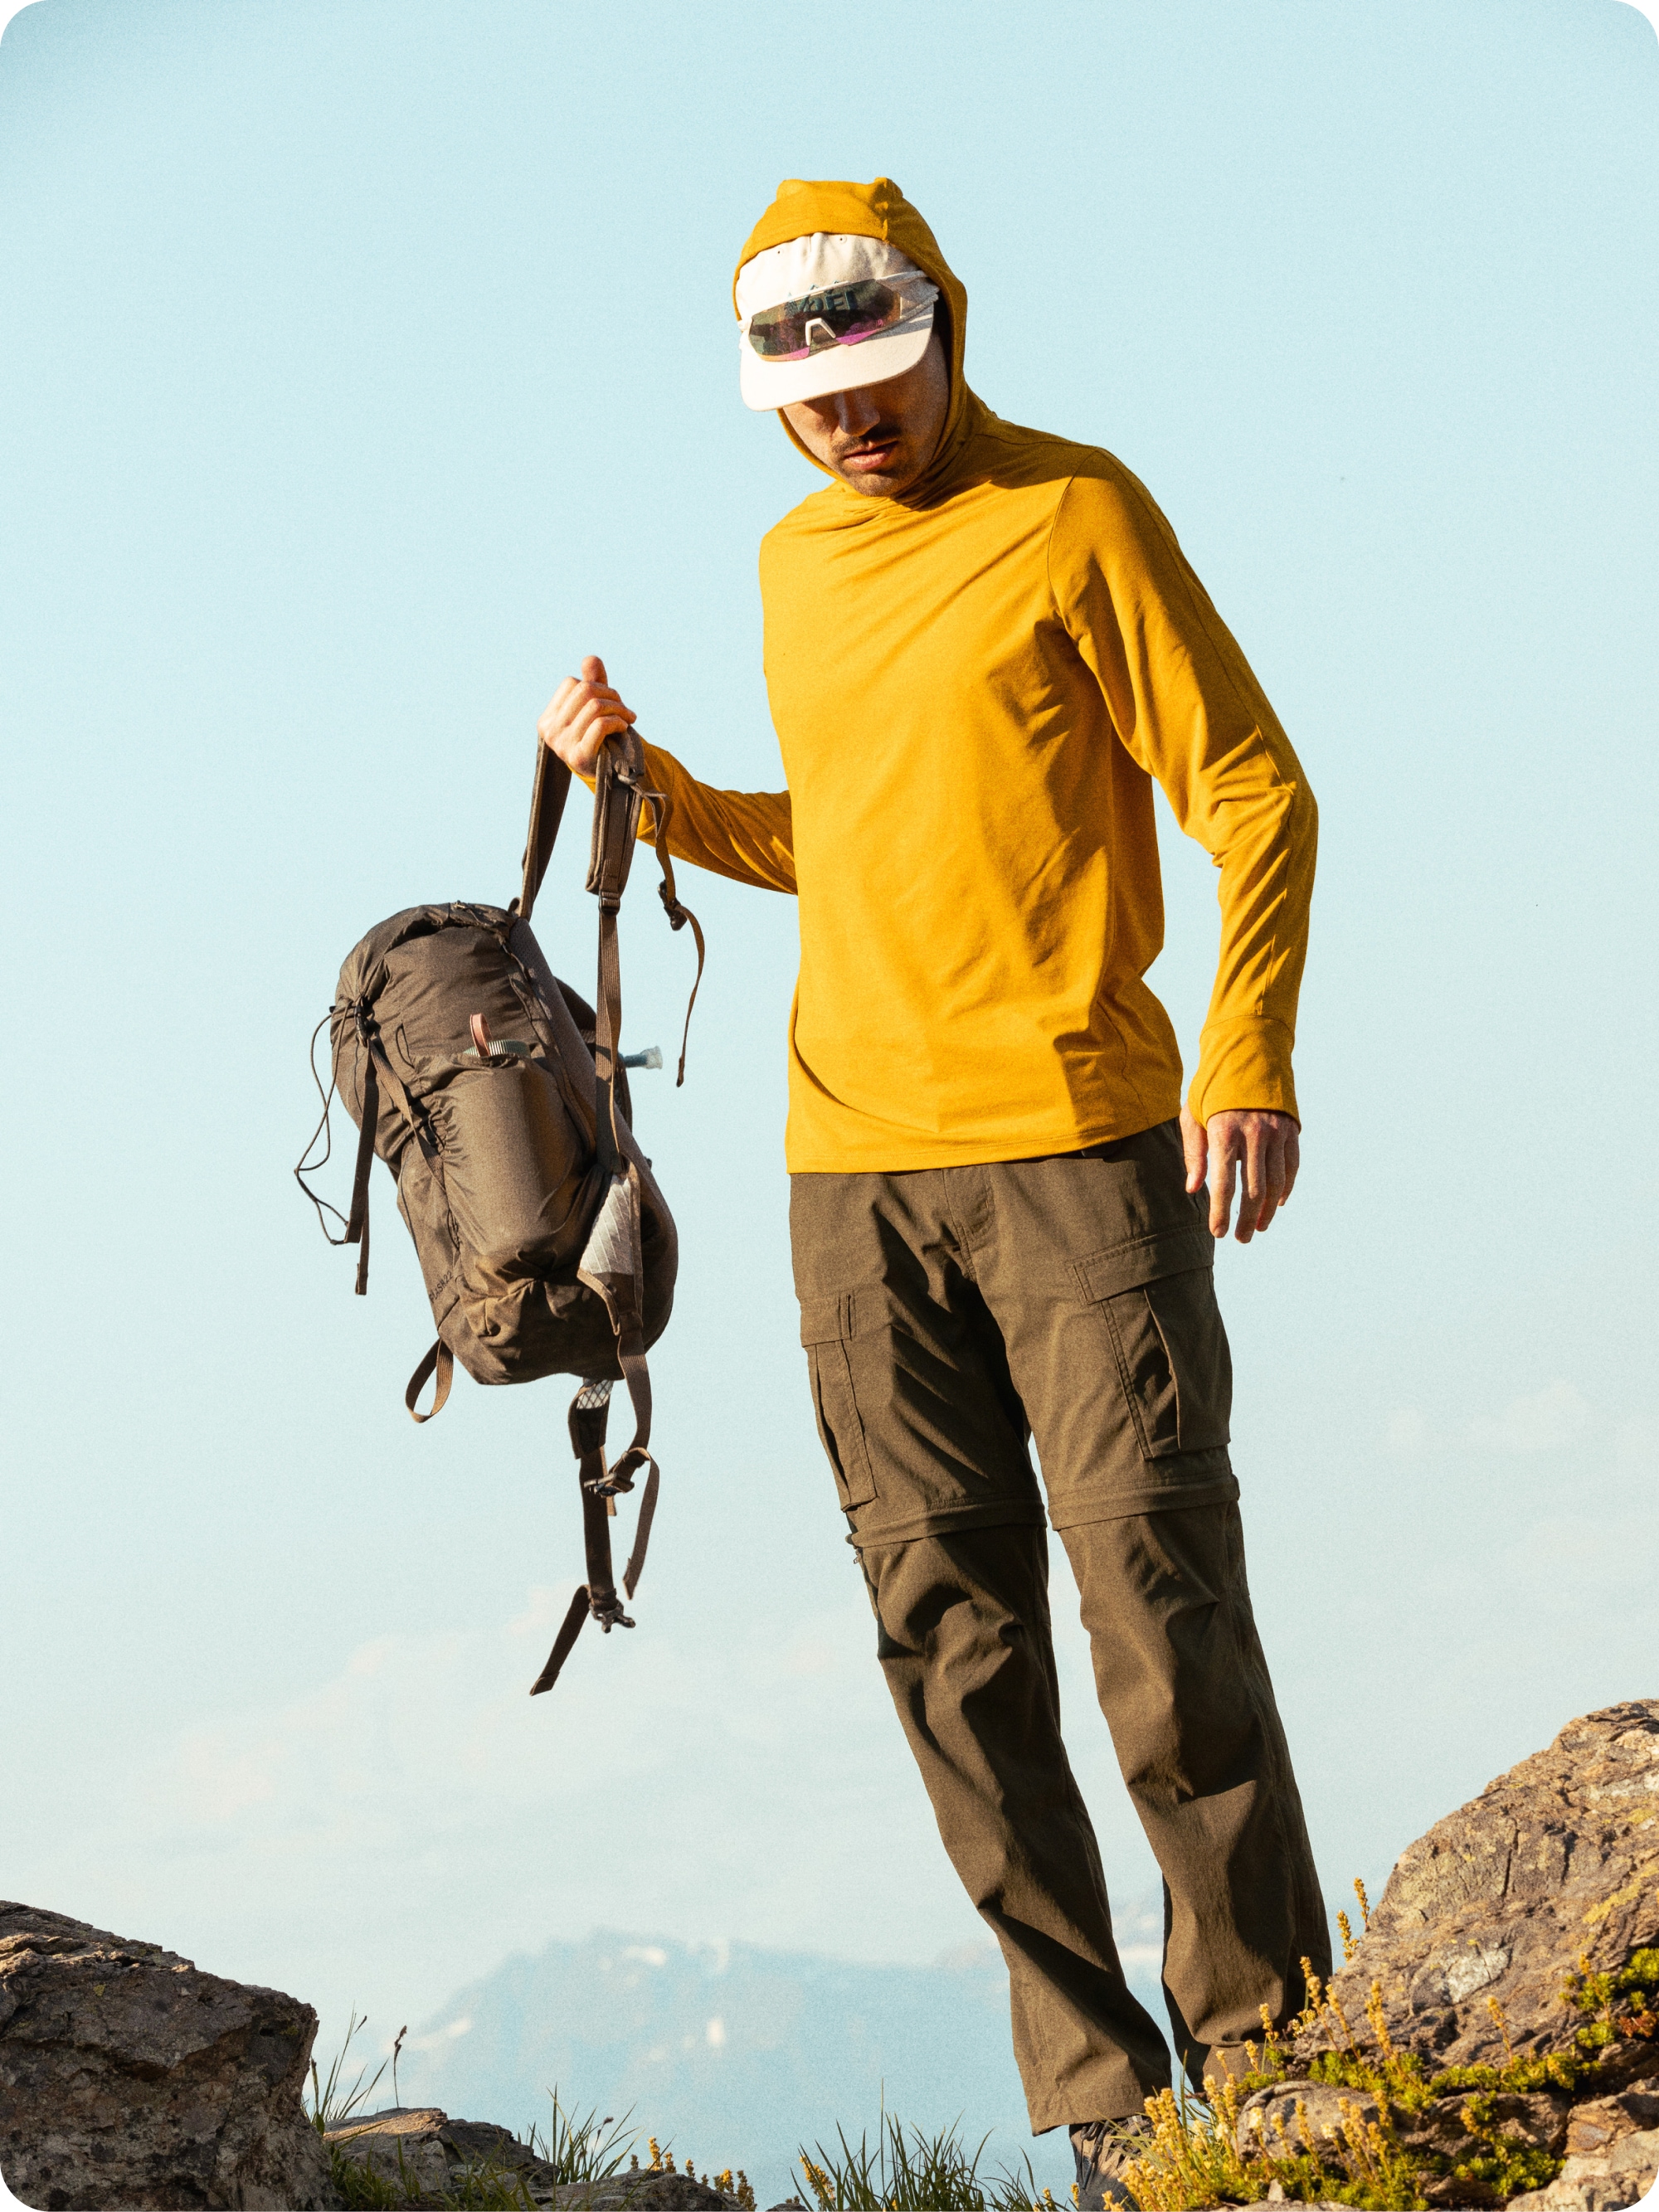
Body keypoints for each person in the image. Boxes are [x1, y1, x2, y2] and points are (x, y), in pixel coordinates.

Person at [539, 176, 1329, 2207]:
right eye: (813, 394)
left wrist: (1244, 1049)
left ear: (946, 327)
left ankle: (1273, 2077)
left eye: (882, 374)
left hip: (1074, 1142)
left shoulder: (1074, 510)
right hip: (850, 1174)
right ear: (768, 400)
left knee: (1159, 1612)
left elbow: (1248, 782)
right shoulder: (796, 563)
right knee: (949, 1648)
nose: (855, 421)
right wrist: (647, 784)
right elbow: (851, 837)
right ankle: (1101, 2110)